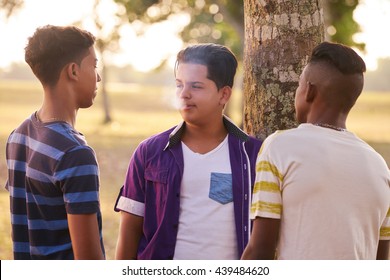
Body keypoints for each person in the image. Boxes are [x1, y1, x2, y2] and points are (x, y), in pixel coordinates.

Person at [241, 41, 390, 260]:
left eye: (299, 85)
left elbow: (260, 251)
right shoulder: (380, 167)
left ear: (309, 91)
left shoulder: (280, 148)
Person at [114, 43, 262, 260]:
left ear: (224, 94)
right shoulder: (150, 152)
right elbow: (128, 234)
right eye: (179, 85)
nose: (184, 94)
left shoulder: (252, 155)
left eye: (196, 86)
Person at [5, 25, 105, 259]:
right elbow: (89, 262)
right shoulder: (75, 153)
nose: (98, 76)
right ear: (73, 71)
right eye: (94, 65)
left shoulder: (18, 135)